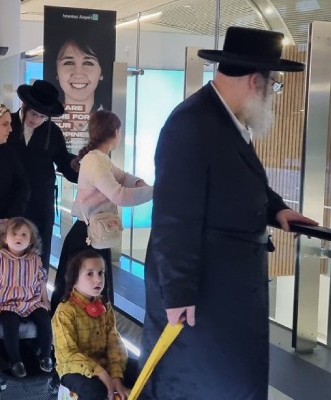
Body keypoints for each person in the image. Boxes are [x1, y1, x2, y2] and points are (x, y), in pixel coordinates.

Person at [141, 27, 319, 400]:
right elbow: (174, 218)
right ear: (255, 81)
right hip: (203, 298)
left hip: (227, 293)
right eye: (273, 85)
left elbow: (235, 182)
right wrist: (178, 293)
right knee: (205, 385)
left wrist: (278, 209)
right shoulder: (191, 124)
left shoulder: (223, 120)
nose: (272, 96)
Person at [51, 111, 152, 311]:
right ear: (116, 133)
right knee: (83, 296)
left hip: (94, 235)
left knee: (91, 294)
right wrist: (155, 192)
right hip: (88, 238)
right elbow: (119, 195)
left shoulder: (99, 158)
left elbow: (123, 177)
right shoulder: (95, 161)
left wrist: (140, 183)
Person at [9, 80, 79, 270]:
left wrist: (77, 167)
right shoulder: (7, 124)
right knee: (10, 253)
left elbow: (62, 160)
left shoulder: (52, 131)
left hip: (41, 201)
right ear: (24, 106)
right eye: (34, 114)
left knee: (40, 253)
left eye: (42, 116)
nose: (37, 120)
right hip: (11, 200)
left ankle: (39, 288)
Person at [0, 217, 53, 378]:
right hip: (5, 303)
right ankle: (15, 360)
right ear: (5, 238)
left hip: (29, 301)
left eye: (24, 235)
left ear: (31, 240)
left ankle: (45, 355)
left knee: (44, 318)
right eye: (14, 234)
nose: (19, 238)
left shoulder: (35, 260)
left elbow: (41, 282)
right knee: (10, 323)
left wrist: (45, 300)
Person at [53, 248, 135, 400]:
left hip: (103, 361)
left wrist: (116, 376)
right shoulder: (65, 311)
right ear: (74, 279)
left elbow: (114, 342)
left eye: (101, 273)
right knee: (96, 390)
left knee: (144, 372)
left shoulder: (104, 305)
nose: (98, 279)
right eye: (89, 274)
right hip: (73, 367)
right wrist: (101, 373)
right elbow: (68, 354)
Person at [55, 38, 106, 115]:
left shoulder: (111, 120)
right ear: (57, 72)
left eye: (88, 63)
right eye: (69, 63)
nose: (78, 74)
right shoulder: (41, 118)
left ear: (101, 73)